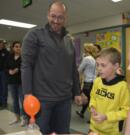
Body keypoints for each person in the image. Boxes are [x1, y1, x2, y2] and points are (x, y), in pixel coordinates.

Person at [21, 0, 81, 134]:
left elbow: (73, 69)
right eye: (53, 16)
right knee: (42, 132)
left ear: (65, 18)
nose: (56, 20)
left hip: (64, 100)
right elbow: (26, 66)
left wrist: (77, 92)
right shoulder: (34, 35)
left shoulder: (69, 40)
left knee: (63, 132)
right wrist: (27, 94)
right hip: (42, 100)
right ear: (48, 15)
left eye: (60, 17)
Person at [89, 47, 130, 135]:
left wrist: (107, 116)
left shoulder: (122, 86)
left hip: (111, 131)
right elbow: (93, 97)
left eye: (103, 65)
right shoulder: (97, 81)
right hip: (94, 128)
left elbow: (127, 111)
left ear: (116, 66)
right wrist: (92, 106)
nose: (99, 68)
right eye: (97, 65)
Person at [6, 41, 26, 126]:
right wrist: (9, 71)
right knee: (15, 101)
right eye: (16, 46)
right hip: (11, 82)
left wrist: (18, 69)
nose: (18, 48)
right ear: (13, 48)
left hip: (21, 82)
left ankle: (24, 118)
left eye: (19, 46)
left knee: (22, 101)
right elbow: (5, 67)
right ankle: (17, 118)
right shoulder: (9, 57)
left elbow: (25, 67)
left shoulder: (24, 57)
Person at [76, 43, 97, 119]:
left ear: (86, 50)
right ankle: (82, 113)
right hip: (94, 82)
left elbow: (79, 70)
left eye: (84, 49)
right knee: (90, 98)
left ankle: (92, 117)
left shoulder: (87, 58)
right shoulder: (93, 58)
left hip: (88, 82)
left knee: (87, 99)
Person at [0, 40, 9, 108]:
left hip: (3, 72)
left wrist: (5, 69)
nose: (1, 45)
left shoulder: (6, 52)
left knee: (4, 88)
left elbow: (7, 63)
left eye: (2, 44)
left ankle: (4, 103)